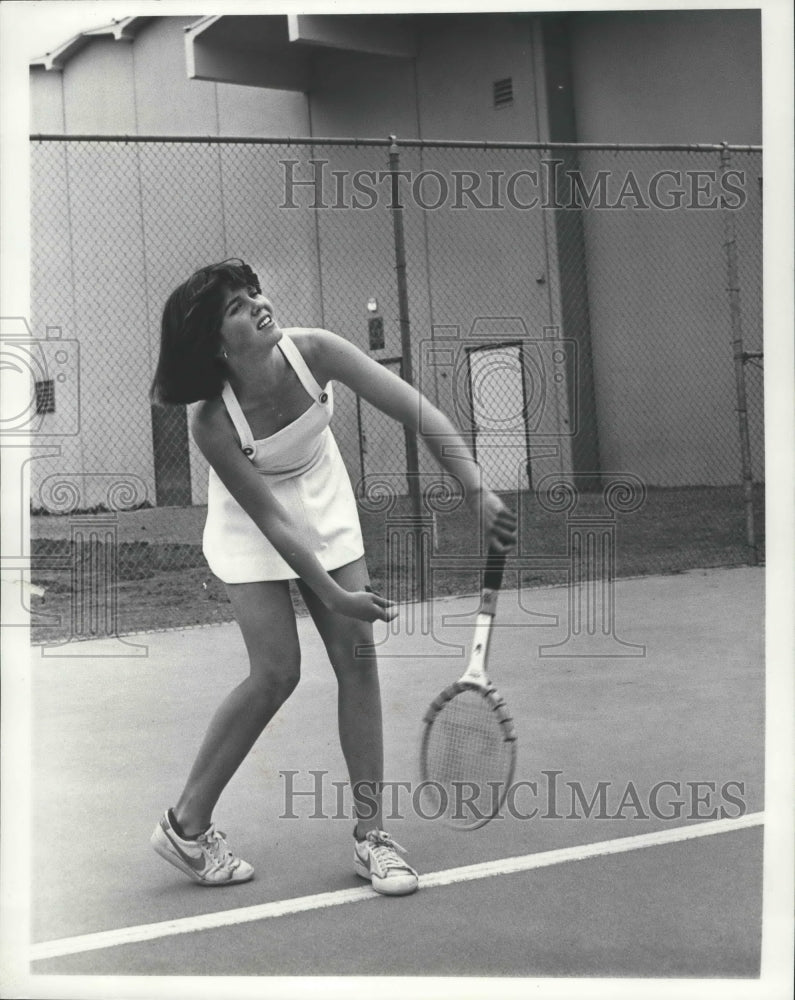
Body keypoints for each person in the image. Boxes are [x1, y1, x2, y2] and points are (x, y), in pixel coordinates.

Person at [149, 259, 516, 896]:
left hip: (321, 487)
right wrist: (335, 592)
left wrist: (476, 487)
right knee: (275, 672)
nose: (258, 304)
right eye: (236, 306)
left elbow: (418, 412)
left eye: (254, 291)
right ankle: (186, 826)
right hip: (253, 514)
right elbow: (272, 522)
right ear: (215, 343)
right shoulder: (211, 422)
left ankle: (372, 838)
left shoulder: (315, 351)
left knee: (357, 657)